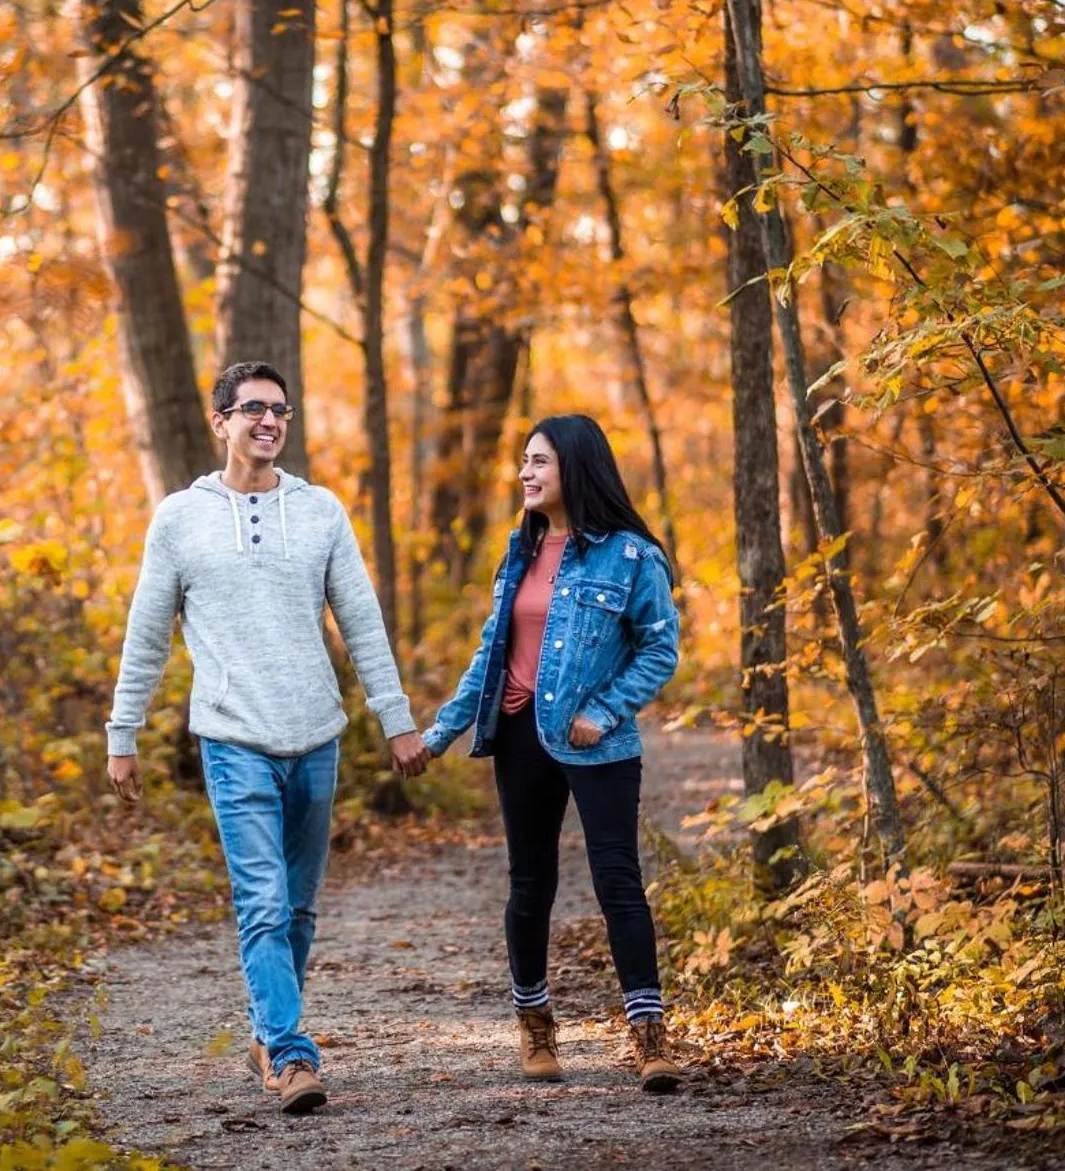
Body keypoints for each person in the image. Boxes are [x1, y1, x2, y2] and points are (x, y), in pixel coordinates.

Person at [106, 360, 428, 1116]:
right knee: (262, 900)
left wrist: (398, 716)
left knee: (300, 909)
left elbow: (362, 623)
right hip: (232, 736)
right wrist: (124, 729)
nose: (269, 421)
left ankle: (266, 1032)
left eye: (280, 409)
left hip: (316, 733)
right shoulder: (180, 519)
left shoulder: (320, 513)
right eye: (252, 408)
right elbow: (147, 633)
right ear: (221, 422)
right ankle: (289, 1053)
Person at [416, 413, 684, 1093]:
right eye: (523, 462)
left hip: (598, 741)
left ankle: (649, 1035)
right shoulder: (522, 548)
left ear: (575, 466)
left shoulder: (629, 555)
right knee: (530, 883)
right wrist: (438, 734)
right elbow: (491, 654)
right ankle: (535, 1026)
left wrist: (602, 709)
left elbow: (660, 648)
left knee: (618, 879)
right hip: (518, 733)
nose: (525, 473)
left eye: (539, 461)